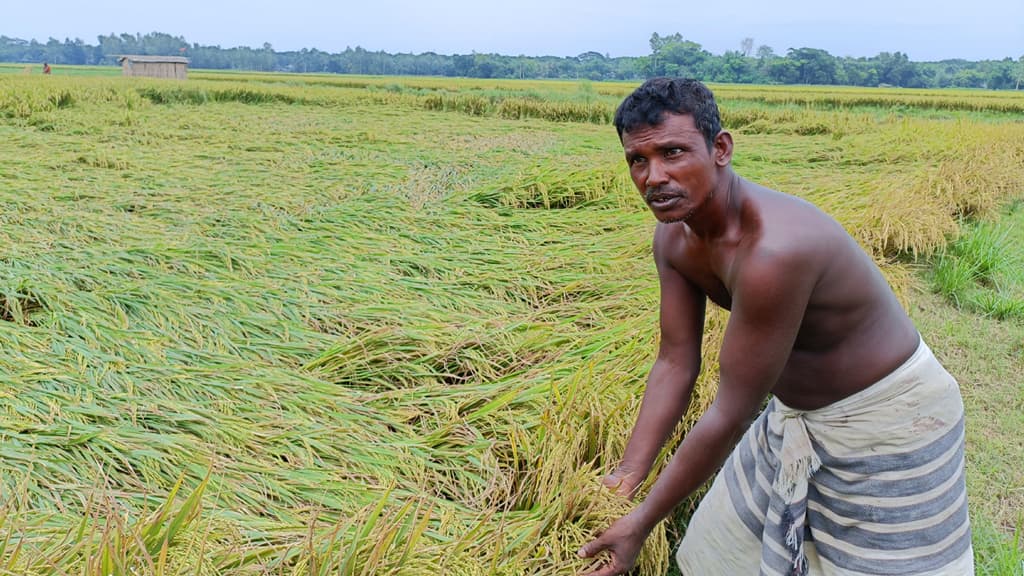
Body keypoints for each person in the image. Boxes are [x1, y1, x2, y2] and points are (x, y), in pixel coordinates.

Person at [577, 78, 973, 576]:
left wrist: (642, 522)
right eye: (638, 160)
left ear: (720, 149)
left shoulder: (774, 252)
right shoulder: (674, 241)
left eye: (673, 152)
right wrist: (627, 478)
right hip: (795, 414)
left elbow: (730, 412)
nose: (654, 176)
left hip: (889, 418)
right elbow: (676, 361)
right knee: (720, 554)